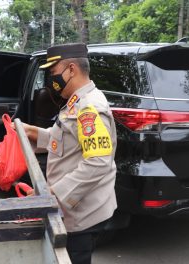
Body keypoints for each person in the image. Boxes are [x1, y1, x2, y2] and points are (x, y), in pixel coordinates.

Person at [17, 43, 117, 264]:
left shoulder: (89, 108)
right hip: (73, 208)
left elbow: (98, 162)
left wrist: (53, 193)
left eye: (54, 73)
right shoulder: (75, 102)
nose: (52, 79)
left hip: (82, 215)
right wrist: (32, 132)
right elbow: (64, 139)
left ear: (71, 69)